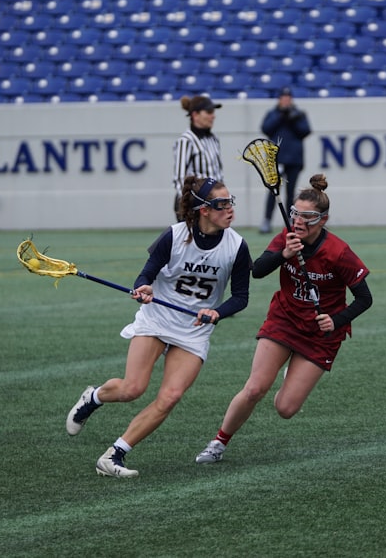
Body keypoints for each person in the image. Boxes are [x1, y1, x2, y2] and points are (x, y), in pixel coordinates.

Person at [66, 175, 251, 478]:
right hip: (157, 320)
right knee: (131, 389)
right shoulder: (175, 235)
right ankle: (94, 397)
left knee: (170, 397)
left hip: (193, 331)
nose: (230, 209)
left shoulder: (237, 246)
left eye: (231, 202)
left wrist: (217, 312)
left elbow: (241, 297)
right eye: (222, 204)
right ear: (204, 210)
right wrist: (144, 288)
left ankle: (114, 456)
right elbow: (146, 274)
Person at [195, 173, 372, 465]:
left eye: (308, 217)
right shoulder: (287, 238)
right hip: (285, 320)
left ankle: (293, 374)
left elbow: (365, 298)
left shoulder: (339, 253)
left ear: (323, 220)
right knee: (255, 388)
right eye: (295, 214)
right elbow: (258, 270)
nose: (299, 221)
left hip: (320, 333)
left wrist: (337, 320)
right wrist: (285, 253)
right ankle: (218, 443)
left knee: (286, 408)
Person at [258, 86, 312, 234]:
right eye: (283, 98)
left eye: (288, 98)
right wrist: (281, 116)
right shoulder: (273, 113)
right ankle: (267, 220)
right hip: (276, 159)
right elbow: (266, 129)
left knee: (291, 192)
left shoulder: (299, 114)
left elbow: (305, 131)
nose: (286, 100)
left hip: (294, 159)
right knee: (273, 191)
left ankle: (291, 221)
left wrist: (293, 118)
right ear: (279, 99)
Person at [172, 95, 224, 219]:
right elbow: (180, 178)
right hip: (194, 204)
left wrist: (223, 201)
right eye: (209, 112)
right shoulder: (186, 140)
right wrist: (190, 204)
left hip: (213, 202)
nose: (213, 115)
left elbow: (218, 174)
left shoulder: (213, 139)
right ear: (195, 115)